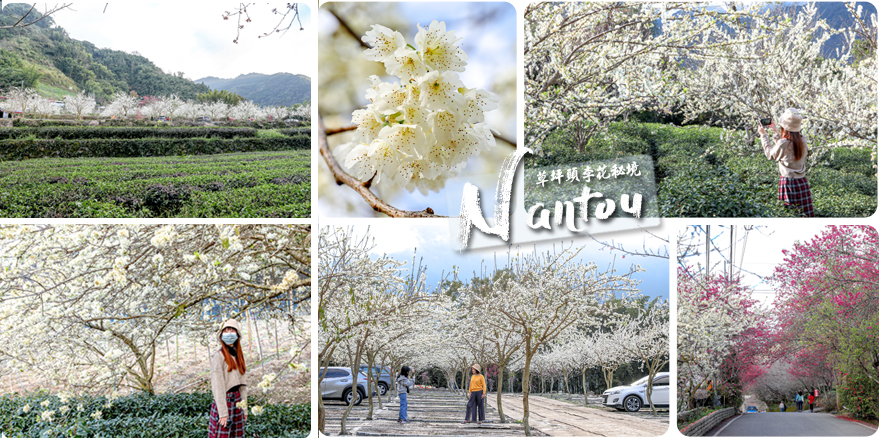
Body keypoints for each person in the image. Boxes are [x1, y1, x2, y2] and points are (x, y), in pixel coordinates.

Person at [757, 108, 813, 217]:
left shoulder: (783, 143)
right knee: (805, 215)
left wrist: (763, 135)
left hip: (788, 183)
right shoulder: (803, 140)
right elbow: (787, 146)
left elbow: (770, 154)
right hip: (802, 182)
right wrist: (777, 132)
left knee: (788, 214)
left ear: (785, 126)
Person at [209, 319, 248, 438]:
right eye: (226, 331)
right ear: (221, 335)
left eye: (231, 330)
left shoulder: (238, 355)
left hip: (237, 402)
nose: (229, 333)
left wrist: (244, 409)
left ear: (237, 334)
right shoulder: (219, 356)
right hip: (224, 403)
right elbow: (217, 386)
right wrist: (223, 413)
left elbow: (243, 385)